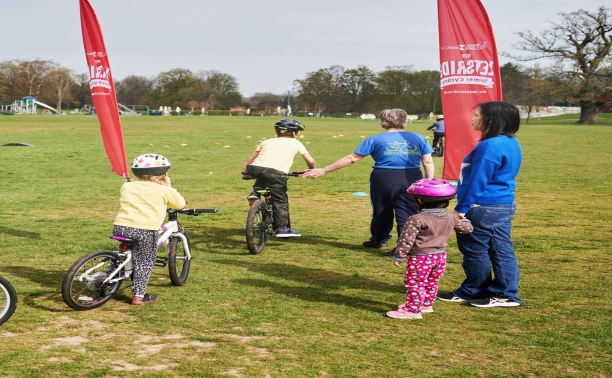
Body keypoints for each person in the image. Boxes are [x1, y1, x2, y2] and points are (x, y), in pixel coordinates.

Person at [303, 109, 434, 251]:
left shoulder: (375, 139)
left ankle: (379, 240)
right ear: (404, 121)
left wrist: (323, 170)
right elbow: (428, 162)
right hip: (412, 177)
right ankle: (407, 247)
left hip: (384, 178)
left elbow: (351, 158)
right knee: (408, 213)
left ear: (383, 122)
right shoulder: (419, 138)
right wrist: (428, 182)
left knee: (382, 210)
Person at [436, 101, 523, 308]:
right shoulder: (511, 142)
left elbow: (478, 179)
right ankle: (504, 293)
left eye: (476, 114)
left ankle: (474, 290)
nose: (472, 118)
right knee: (501, 250)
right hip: (502, 205)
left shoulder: (490, 145)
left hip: (482, 207)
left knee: (475, 250)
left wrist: (462, 208)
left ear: (490, 119)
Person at [385, 179, 473, 319]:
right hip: (440, 257)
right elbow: (467, 229)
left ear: (420, 201)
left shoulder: (417, 219)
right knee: (432, 281)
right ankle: (426, 304)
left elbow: (406, 239)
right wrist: (464, 218)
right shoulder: (451, 217)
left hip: (420, 258)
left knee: (415, 283)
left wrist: (399, 256)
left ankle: (412, 310)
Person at [113, 153, 187, 305]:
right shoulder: (164, 190)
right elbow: (180, 204)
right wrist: (169, 187)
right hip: (145, 229)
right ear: (163, 174)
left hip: (121, 226)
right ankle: (139, 296)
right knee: (144, 262)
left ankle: (108, 278)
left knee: (124, 255)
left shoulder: (126, 186)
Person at [242, 119, 316, 237]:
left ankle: (255, 193)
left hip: (255, 168)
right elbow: (310, 161)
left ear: (276, 131)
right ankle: (282, 228)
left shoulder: (266, 142)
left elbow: (250, 160)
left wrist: (245, 173)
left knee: (264, 174)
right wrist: (312, 169)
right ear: (296, 133)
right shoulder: (295, 143)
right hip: (276, 173)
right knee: (279, 199)